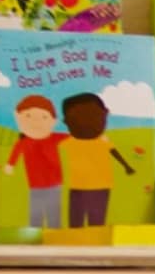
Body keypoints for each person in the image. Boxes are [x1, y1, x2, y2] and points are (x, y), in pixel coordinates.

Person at [53, 93, 126, 229]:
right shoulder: (70, 142)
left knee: (94, 221)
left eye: (93, 116)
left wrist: (126, 166)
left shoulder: (102, 141)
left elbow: (114, 152)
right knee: (77, 222)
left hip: (98, 186)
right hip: (80, 187)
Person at [3, 94, 66, 228]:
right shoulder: (24, 142)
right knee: (36, 214)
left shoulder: (55, 138)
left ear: (53, 121)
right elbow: (15, 154)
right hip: (35, 184)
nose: (36, 122)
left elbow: (75, 137)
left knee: (53, 214)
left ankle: (55, 235)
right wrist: (10, 165)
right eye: (28, 116)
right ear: (18, 117)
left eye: (44, 117)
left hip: (54, 183)